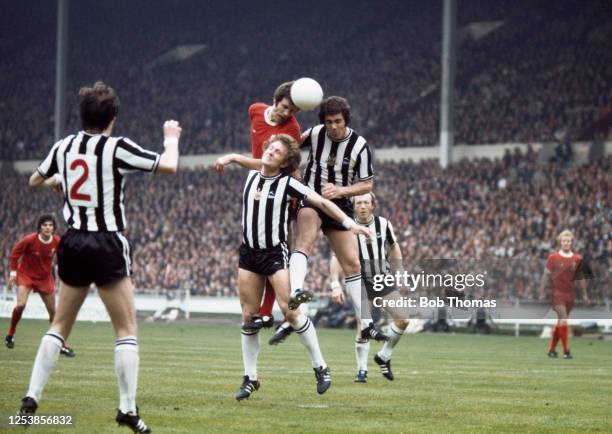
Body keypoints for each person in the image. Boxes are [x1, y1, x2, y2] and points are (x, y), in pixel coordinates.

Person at [17, 81, 181, 434]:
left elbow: (34, 180)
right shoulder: (116, 147)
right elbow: (168, 166)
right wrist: (171, 137)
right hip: (106, 242)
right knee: (126, 329)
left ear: (82, 115)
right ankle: (126, 408)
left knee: (59, 325)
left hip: (72, 241)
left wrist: (58, 181)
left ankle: (31, 397)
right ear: (113, 119)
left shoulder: (64, 146)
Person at [219, 134, 371, 400]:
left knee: (292, 313)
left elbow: (323, 203)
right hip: (249, 255)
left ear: (284, 162)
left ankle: (320, 366)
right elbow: (248, 162)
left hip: (276, 255)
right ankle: (250, 378)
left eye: (277, 152)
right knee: (248, 318)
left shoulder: (289, 183)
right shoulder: (253, 174)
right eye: (270, 148)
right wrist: (230, 158)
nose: (269, 152)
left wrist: (349, 224)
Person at [329, 193, 409, 382]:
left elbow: (394, 246)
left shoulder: (384, 224)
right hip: (360, 281)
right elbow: (336, 258)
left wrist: (401, 270)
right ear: (353, 206)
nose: (362, 206)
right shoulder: (346, 227)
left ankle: (383, 355)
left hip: (383, 279)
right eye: (359, 203)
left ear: (373, 205)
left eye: (366, 202)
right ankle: (362, 370)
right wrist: (335, 285)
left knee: (404, 318)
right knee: (363, 326)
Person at [244, 81, 302, 331]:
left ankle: (271, 312)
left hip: (278, 190)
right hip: (257, 183)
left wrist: (293, 196)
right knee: (258, 246)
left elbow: (291, 163)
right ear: (276, 100)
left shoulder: (292, 129)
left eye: (293, 111)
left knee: (276, 251)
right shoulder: (255, 110)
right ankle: (271, 313)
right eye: (285, 107)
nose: (287, 114)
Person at [5, 215, 75, 357]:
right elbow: (14, 254)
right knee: (20, 305)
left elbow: (64, 257)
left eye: (50, 225)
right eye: (45, 225)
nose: (48, 227)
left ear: (53, 228)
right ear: (40, 227)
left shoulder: (57, 241)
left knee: (53, 313)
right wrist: (13, 273)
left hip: (44, 278)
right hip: (26, 275)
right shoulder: (29, 240)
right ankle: (10, 334)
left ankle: (61, 345)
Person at [539, 229, 590, 359]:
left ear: (571, 242)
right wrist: (542, 292)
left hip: (570, 295)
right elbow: (546, 275)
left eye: (568, 241)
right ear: (560, 242)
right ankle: (566, 351)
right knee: (563, 320)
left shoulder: (578, 259)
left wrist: (584, 295)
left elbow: (581, 278)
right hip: (557, 294)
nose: (566, 243)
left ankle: (551, 350)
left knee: (561, 322)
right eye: (564, 241)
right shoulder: (553, 257)